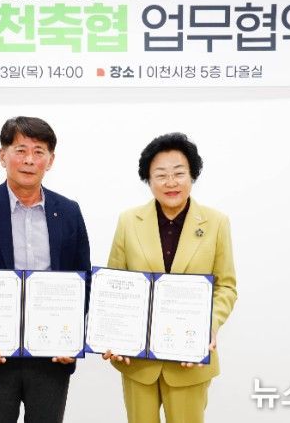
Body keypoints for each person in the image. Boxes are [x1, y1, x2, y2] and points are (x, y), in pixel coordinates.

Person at [0, 116, 91, 423]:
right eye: (21, 150)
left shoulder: (69, 211)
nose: (29, 160)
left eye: (39, 151)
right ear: (3, 155)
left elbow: (83, 282)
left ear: (50, 160)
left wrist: (69, 336)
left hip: (51, 355)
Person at [103, 132, 237, 423]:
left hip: (190, 360)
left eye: (179, 173)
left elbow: (226, 286)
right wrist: (113, 334)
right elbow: (114, 286)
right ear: (148, 180)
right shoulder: (128, 221)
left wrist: (208, 325)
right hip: (137, 360)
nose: (171, 182)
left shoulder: (216, 223)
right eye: (161, 175)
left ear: (192, 175)